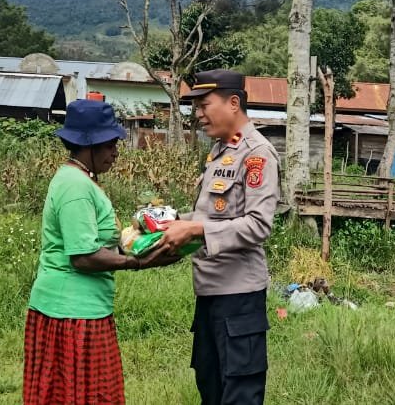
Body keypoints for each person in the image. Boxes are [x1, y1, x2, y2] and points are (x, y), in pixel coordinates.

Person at [24, 99, 179, 405]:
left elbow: (99, 239)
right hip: (71, 313)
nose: (115, 152)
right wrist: (138, 263)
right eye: (109, 145)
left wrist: (144, 239)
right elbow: (83, 257)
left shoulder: (83, 180)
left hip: (84, 308)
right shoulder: (75, 187)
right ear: (88, 145)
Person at [161, 69, 281, 405]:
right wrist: (171, 223)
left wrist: (195, 229)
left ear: (233, 103)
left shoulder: (257, 154)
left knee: (239, 392)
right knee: (210, 384)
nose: (198, 114)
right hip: (209, 292)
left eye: (204, 105)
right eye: (195, 107)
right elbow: (212, 216)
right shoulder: (219, 152)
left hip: (239, 298)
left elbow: (258, 225)